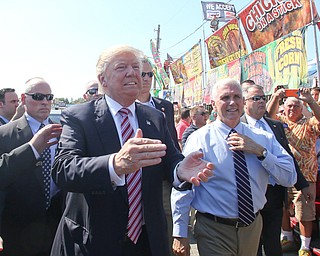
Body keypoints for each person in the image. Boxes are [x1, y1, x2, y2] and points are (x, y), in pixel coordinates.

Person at [50, 45, 213, 256]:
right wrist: (115, 165)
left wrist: (180, 169)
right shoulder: (79, 117)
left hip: (147, 239)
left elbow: (169, 159)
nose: (132, 73)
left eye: (136, 67)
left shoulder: (155, 117)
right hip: (96, 240)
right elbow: (63, 169)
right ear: (103, 79)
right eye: (121, 67)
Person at [171, 78, 297, 256]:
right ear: (213, 105)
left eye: (237, 96)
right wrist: (180, 232)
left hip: (252, 227)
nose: (232, 102)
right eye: (225, 97)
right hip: (213, 229)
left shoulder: (262, 138)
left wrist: (261, 153)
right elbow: (183, 186)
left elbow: (289, 176)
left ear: (243, 102)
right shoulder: (200, 139)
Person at [241, 83, 310, 256]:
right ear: (244, 102)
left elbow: (287, 157)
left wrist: (302, 184)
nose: (261, 102)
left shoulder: (275, 126)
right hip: (250, 194)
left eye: (263, 98)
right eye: (255, 98)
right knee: (253, 243)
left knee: (273, 242)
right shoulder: (238, 126)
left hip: (274, 193)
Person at [0, 77, 64, 256]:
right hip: (18, 230)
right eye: (38, 96)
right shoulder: (4, 134)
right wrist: (32, 150)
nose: (45, 102)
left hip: (57, 226)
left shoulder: (65, 132)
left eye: (49, 97)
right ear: (23, 99)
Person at [267, 88, 320, 256]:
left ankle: (305, 247)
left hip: (305, 177)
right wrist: (276, 97)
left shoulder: (309, 123)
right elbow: (267, 116)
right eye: (289, 106)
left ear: (301, 108)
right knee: (282, 208)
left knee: (304, 212)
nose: (292, 110)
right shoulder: (280, 122)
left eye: (296, 106)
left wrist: (310, 100)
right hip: (282, 175)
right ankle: (288, 238)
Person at [137, 56, 179, 255]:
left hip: (161, 179)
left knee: (165, 224)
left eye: (149, 74)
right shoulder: (124, 106)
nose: (146, 79)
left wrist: (178, 170)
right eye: (141, 74)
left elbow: (173, 142)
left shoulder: (165, 106)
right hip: (133, 178)